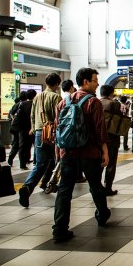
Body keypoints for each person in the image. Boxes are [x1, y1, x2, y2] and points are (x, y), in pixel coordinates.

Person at [52, 67, 110, 242]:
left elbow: (58, 129)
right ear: (85, 81)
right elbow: (100, 130)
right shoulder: (93, 102)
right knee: (95, 186)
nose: (97, 83)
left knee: (64, 190)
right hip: (89, 152)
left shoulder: (63, 103)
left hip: (67, 153)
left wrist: (58, 153)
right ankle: (102, 215)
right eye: (94, 80)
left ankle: (59, 228)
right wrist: (105, 151)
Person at [18, 74, 62, 207]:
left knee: (40, 163)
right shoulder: (56, 97)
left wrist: (33, 127)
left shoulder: (37, 96)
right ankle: (50, 184)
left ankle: (28, 187)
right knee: (56, 160)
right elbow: (58, 117)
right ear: (57, 84)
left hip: (38, 132)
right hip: (51, 133)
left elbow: (32, 115)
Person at [100, 84, 122, 196]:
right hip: (111, 138)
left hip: (98, 139)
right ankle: (108, 188)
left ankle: (97, 187)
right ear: (111, 93)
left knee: (98, 163)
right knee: (111, 163)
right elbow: (119, 120)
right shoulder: (113, 104)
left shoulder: (95, 102)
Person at [7, 92, 26, 166]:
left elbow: (11, 113)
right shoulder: (22, 104)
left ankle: (11, 158)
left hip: (15, 127)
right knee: (18, 144)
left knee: (16, 143)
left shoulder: (18, 104)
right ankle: (14, 160)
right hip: (19, 128)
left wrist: (14, 120)